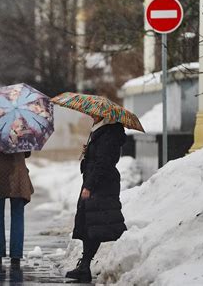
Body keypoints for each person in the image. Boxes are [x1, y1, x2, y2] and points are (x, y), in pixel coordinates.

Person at [65, 117, 127, 283]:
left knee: (96, 225)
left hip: (101, 185)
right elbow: (98, 158)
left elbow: (103, 162)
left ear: (105, 115)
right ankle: (84, 266)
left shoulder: (109, 133)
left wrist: (90, 186)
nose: (92, 116)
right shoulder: (103, 131)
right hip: (96, 181)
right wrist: (89, 151)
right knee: (90, 225)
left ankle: (85, 266)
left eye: (95, 114)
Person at [0, 143, 34, 271]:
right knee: (17, 215)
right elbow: (27, 153)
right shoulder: (22, 127)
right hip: (18, 172)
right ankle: (16, 257)